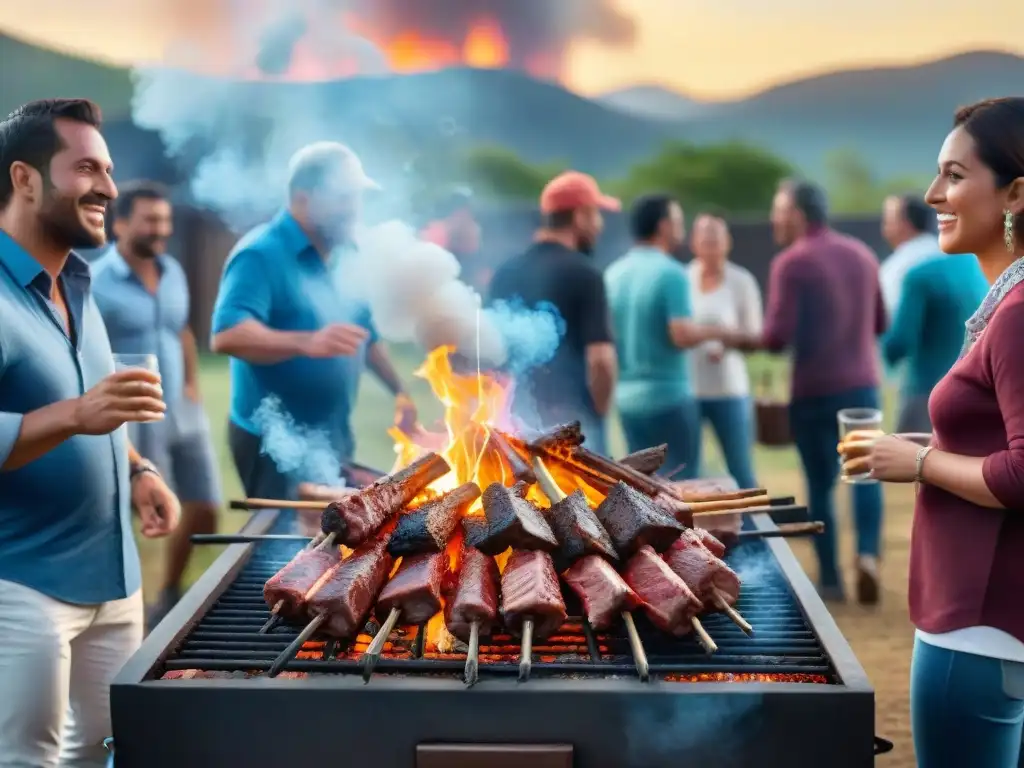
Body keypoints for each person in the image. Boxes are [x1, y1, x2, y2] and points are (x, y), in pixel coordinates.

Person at [0, 99, 180, 765]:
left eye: (107, 168)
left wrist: (138, 470)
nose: (107, 185)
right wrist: (77, 415)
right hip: (21, 584)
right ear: (25, 180)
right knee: (29, 760)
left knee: (106, 754)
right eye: (85, 168)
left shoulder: (77, 282)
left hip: (115, 579)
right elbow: (78, 410)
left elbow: (92, 406)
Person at [846, 97, 1024, 768]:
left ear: (1015, 192)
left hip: (980, 631)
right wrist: (922, 450)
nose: (932, 194)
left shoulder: (1017, 315)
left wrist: (919, 465)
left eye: (953, 174)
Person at [211, 142, 417, 500]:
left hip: (333, 434)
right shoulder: (259, 254)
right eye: (343, 198)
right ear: (304, 199)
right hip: (274, 443)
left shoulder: (345, 254)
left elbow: (365, 336)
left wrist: (400, 392)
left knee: (333, 540)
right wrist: (306, 341)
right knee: (286, 549)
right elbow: (228, 335)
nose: (354, 210)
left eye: (357, 198)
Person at [91, 181, 223, 628]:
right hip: (130, 414)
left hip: (181, 410)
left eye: (164, 221)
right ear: (121, 223)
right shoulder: (95, 282)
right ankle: (120, 608)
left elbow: (182, 330)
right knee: (130, 508)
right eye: (150, 220)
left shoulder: (173, 271)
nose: (160, 229)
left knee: (204, 503)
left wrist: (191, 384)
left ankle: (168, 593)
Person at [763, 180, 886, 604]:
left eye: (778, 210)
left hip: (814, 391)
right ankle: (867, 556)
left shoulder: (791, 263)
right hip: (864, 386)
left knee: (820, 484)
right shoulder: (863, 255)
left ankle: (831, 579)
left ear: (797, 214)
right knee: (866, 475)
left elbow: (777, 337)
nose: (773, 219)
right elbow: (881, 322)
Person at [604, 196, 750, 478]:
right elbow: (681, 334)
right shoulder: (672, 273)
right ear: (663, 226)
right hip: (669, 398)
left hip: (627, 399)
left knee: (643, 486)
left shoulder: (613, 274)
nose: (682, 227)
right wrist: (719, 332)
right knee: (682, 487)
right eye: (678, 221)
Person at [488, 171, 618, 454]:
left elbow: (489, 357)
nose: (599, 225)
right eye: (596, 214)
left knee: (521, 498)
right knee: (585, 498)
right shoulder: (586, 274)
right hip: (573, 422)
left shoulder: (505, 272)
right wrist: (599, 413)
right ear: (580, 215)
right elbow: (601, 361)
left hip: (515, 419)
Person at [688, 213, 762, 489]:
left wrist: (725, 340)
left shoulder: (741, 281)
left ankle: (756, 529)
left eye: (715, 239)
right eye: (704, 239)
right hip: (690, 390)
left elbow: (756, 337)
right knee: (690, 472)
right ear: (694, 243)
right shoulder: (683, 279)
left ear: (727, 243)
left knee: (741, 469)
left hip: (729, 390)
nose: (710, 246)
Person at [881, 248, 988, 434]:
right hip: (973, 396)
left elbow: (898, 344)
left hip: (925, 396)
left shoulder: (920, 275)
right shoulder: (979, 266)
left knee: (907, 459)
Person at [879, 194, 942, 317]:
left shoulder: (900, 265)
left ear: (905, 224)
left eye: (888, 221)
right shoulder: (941, 252)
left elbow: (888, 311)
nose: (884, 227)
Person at [419, 186, 487, 290]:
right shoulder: (437, 228)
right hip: (441, 280)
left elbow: (477, 256)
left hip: (466, 279)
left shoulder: (473, 229)